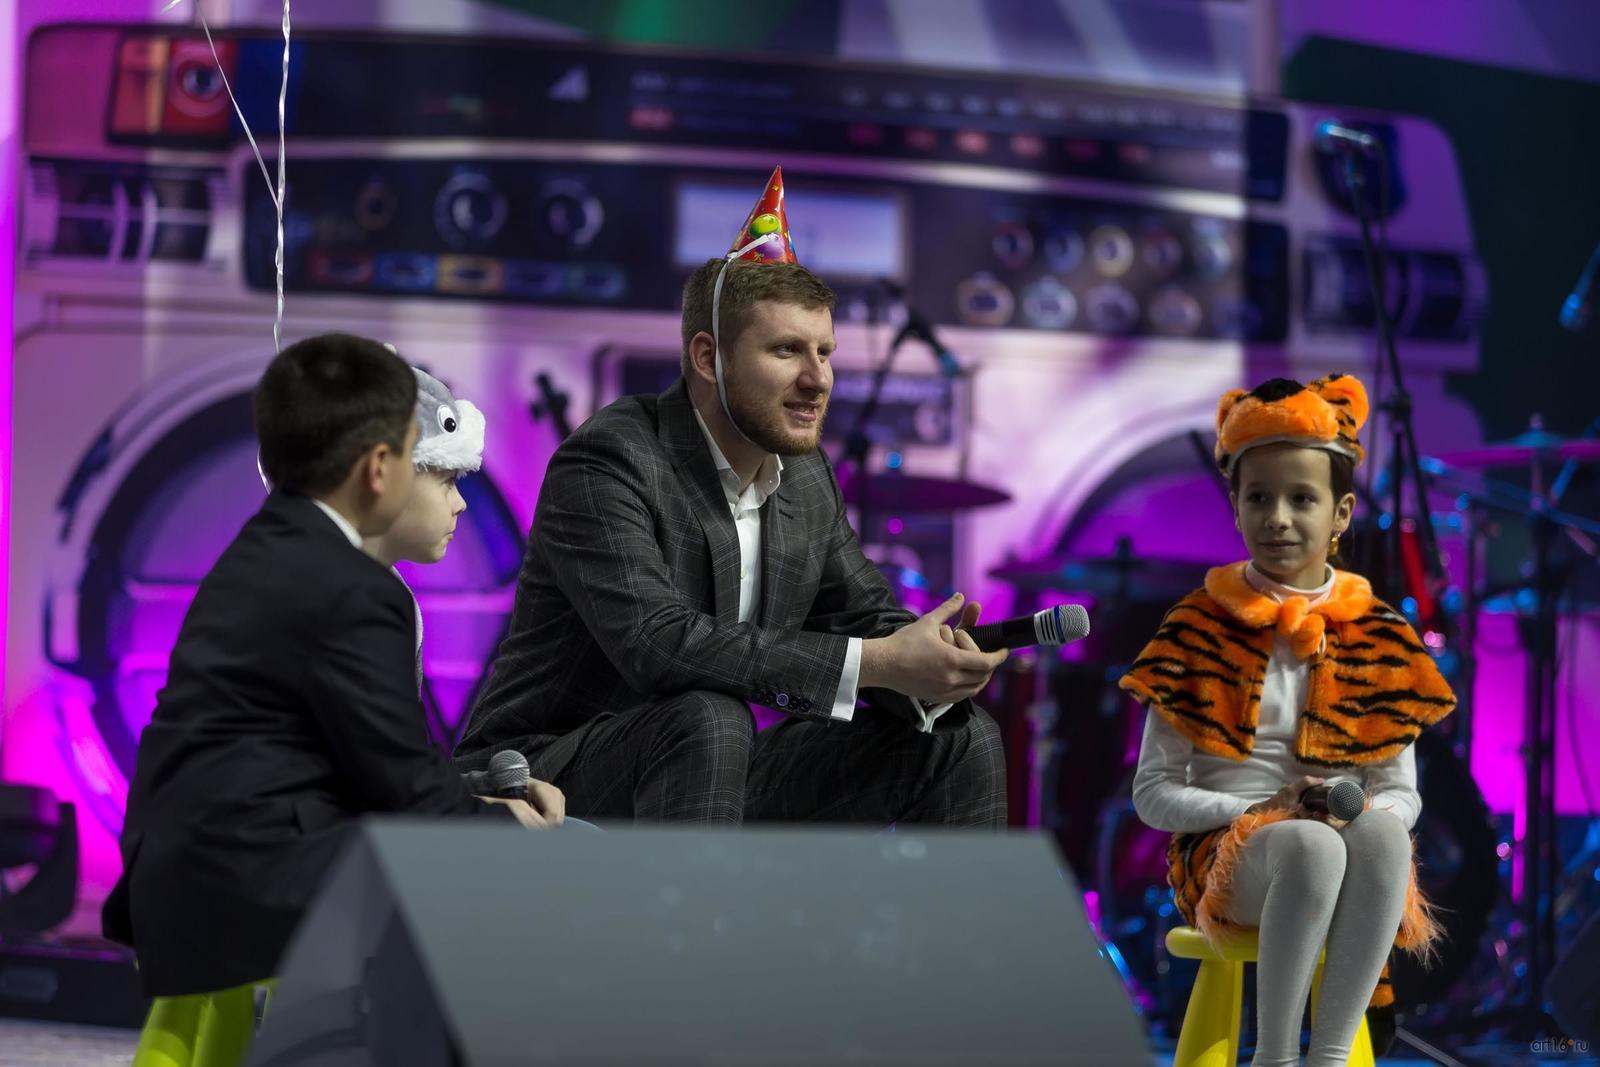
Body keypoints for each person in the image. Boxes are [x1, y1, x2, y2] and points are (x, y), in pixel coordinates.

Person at [458, 167, 1009, 826]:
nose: (818, 379)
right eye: (787, 350)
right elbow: (657, 644)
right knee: (710, 719)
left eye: (825, 352)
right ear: (707, 357)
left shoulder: (805, 476)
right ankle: (697, 904)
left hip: (709, 763)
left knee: (959, 737)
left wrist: (932, 664)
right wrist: (880, 662)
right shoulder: (609, 458)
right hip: (547, 773)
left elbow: (863, 616)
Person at [104, 334, 557, 998]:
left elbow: (364, 771)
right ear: (380, 468)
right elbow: (407, 795)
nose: (459, 500)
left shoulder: (268, 545)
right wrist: (508, 825)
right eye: (428, 464)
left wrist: (474, 802)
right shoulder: (355, 590)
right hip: (250, 885)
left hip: (184, 877)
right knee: (540, 870)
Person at [1121, 374, 1455, 1065]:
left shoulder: (1381, 636)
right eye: (1258, 497)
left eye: (1302, 499)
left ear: (1341, 513)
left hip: (1340, 843)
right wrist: (1258, 809)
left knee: (1383, 837)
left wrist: (1357, 809)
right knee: (1308, 846)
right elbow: (1152, 794)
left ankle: (1326, 1056)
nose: (1277, 517)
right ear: (1236, 507)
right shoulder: (1197, 627)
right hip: (1224, 857)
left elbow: (1403, 794)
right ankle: (1273, 1056)